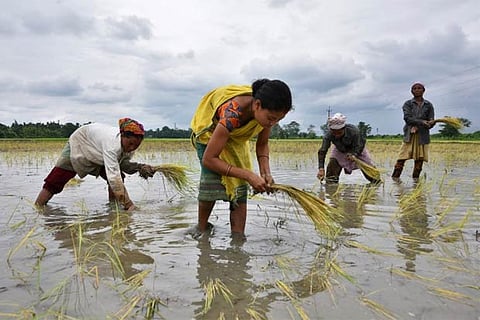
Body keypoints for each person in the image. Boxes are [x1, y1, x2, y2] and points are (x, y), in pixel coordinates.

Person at [190, 78, 293, 238]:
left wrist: (266, 173)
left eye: (278, 120)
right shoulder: (233, 112)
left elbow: (262, 145)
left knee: (239, 189)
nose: (273, 123)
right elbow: (209, 159)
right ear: (257, 105)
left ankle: (238, 239)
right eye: (271, 118)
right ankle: (201, 229)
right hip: (210, 137)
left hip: (236, 139)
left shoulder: (265, 118)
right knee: (210, 182)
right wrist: (249, 175)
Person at [35, 118, 155, 211]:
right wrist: (129, 205)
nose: (132, 148)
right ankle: (38, 208)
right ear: (122, 136)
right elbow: (114, 178)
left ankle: (113, 209)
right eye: (130, 144)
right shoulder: (112, 145)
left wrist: (140, 167)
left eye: (136, 145)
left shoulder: (127, 146)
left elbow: (122, 164)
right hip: (81, 142)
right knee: (56, 180)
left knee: (119, 178)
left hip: (99, 151)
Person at [316, 113, 379, 183]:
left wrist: (354, 154)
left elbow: (359, 145)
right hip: (340, 150)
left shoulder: (354, 131)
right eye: (334, 133)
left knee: (373, 176)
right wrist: (321, 169)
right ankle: (331, 186)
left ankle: (376, 182)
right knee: (332, 168)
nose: (336, 135)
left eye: (339, 133)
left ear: (344, 129)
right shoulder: (328, 135)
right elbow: (322, 151)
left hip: (356, 149)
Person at [391, 82, 435, 179]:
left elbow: (431, 120)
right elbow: (407, 118)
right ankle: (395, 180)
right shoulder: (408, 104)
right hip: (409, 135)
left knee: (419, 163)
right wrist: (422, 122)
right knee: (401, 159)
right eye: (415, 88)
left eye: (419, 88)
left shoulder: (429, 105)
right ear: (412, 91)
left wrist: (431, 123)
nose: (417, 90)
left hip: (422, 136)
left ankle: (415, 183)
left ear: (423, 91)